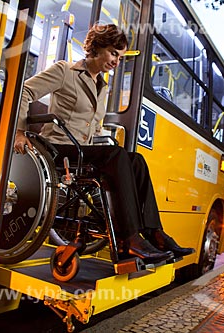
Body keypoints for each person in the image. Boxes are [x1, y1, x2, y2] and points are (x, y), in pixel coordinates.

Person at [14, 24, 194, 264]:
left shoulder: (103, 87)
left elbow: (93, 127)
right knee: (116, 155)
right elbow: (24, 91)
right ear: (96, 48)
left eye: (120, 56)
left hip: (81, 152)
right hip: (57, 149)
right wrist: (20, 131)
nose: (116, 61)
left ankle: (154, 233)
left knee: (136, 160)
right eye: (113, 53)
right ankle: (129, 239)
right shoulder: (64, 71)